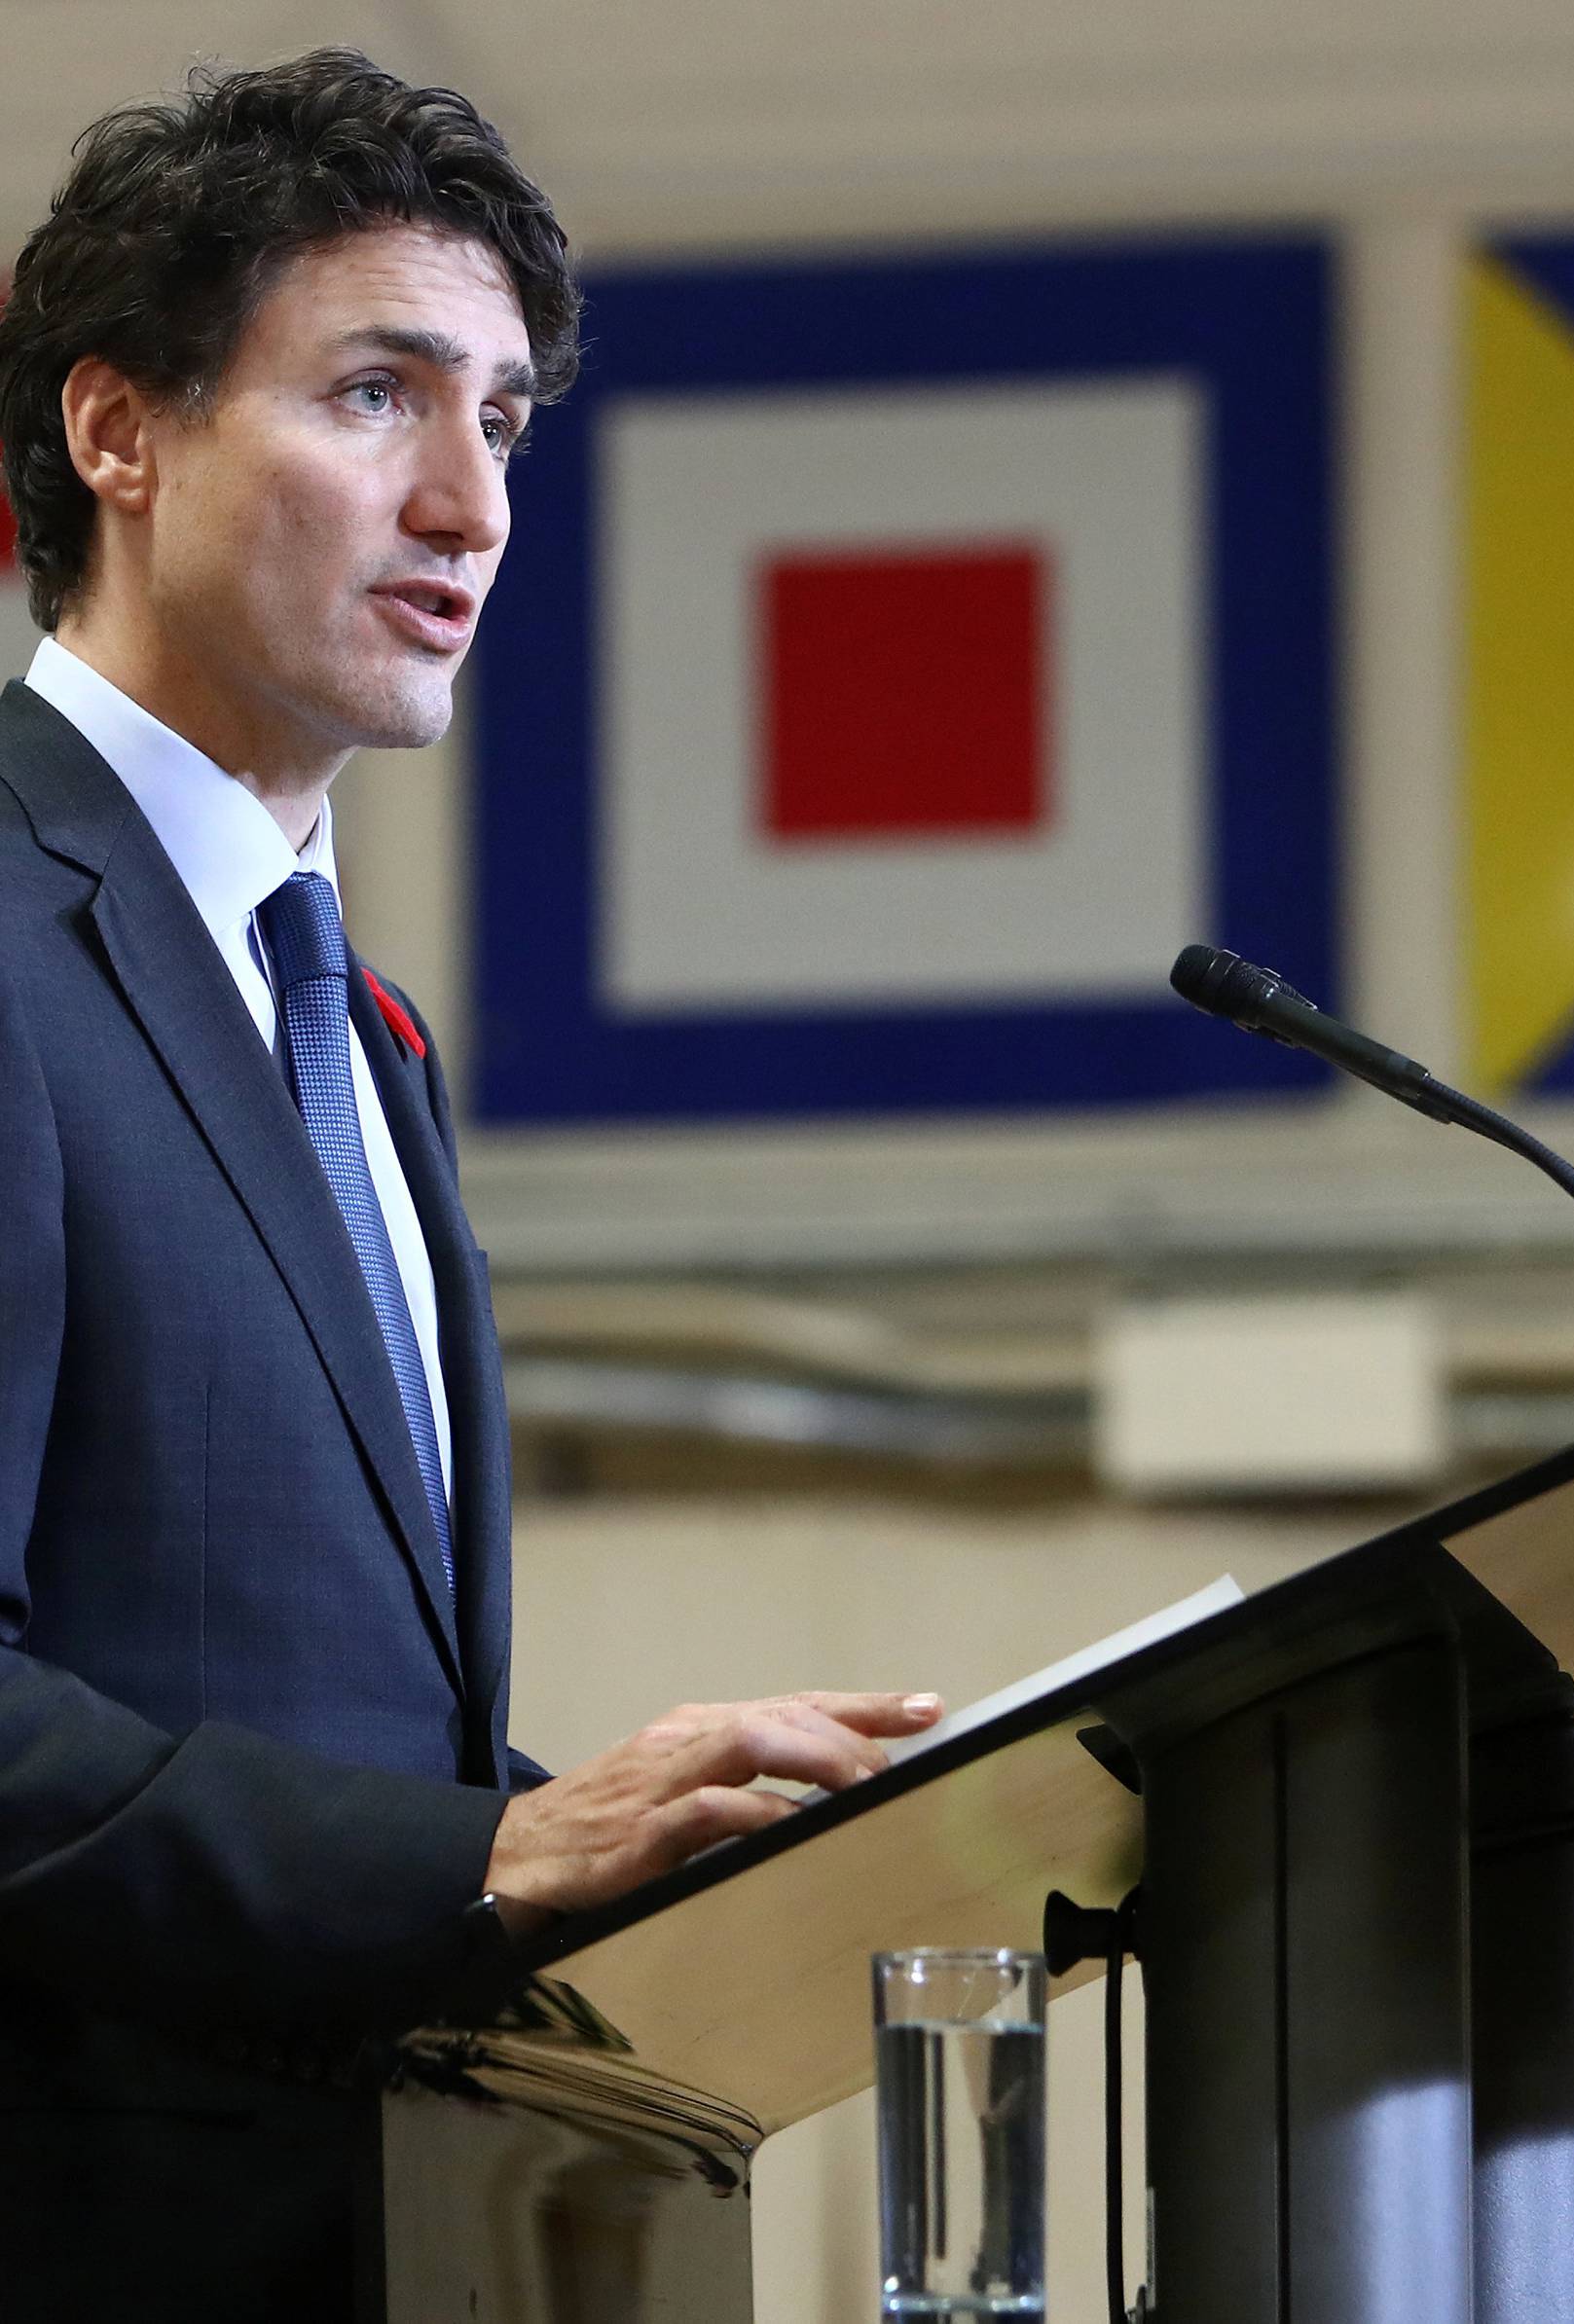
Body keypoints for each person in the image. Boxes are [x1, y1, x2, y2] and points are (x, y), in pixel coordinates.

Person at [0, 50, 939, 2320]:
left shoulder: (350, 1022)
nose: (470, 503)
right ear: (118, 433)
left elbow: (323, 1721)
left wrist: (640, 1842)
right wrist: (486, 1851)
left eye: (504, 421)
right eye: (375, 397)